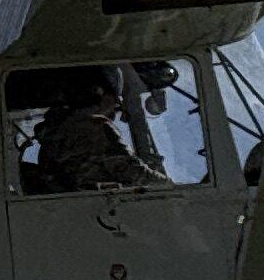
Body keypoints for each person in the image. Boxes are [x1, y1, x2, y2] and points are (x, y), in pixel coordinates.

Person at [30, 66, 166, 194]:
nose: (115, 105)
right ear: (101, 93)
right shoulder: (96, 128)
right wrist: (168, 185)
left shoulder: (53, 131)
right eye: (113, 97)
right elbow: (129, 170)